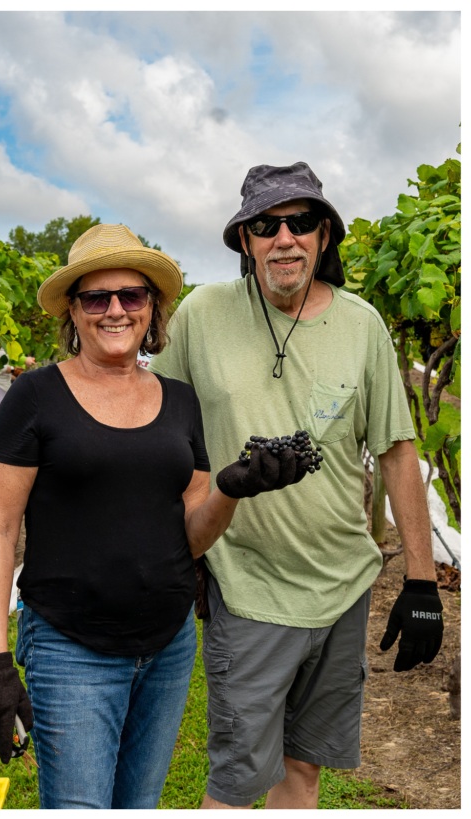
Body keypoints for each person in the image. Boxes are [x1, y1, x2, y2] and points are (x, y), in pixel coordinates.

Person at [0, 224, 315, 809]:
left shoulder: (181, 401)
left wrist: (231, 489)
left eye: (131, 296)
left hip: (168, 645)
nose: (114, 311)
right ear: (74, 313)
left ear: (151, 309)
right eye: (95, 298)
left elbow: (193, 534)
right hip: (69, 646)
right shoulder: (34, 396)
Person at [149, 162, 444, 809]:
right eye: (266, 224)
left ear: (324, 235)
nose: (284, 237)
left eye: (300, 221)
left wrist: (422, 580)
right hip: (249, 588)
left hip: (342, 589)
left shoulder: (363, 324)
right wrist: (172, 547)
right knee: (234, 785)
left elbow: (396, 451)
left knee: (302, 774)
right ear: (245, 239)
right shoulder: (201, 315)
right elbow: (157, 427)